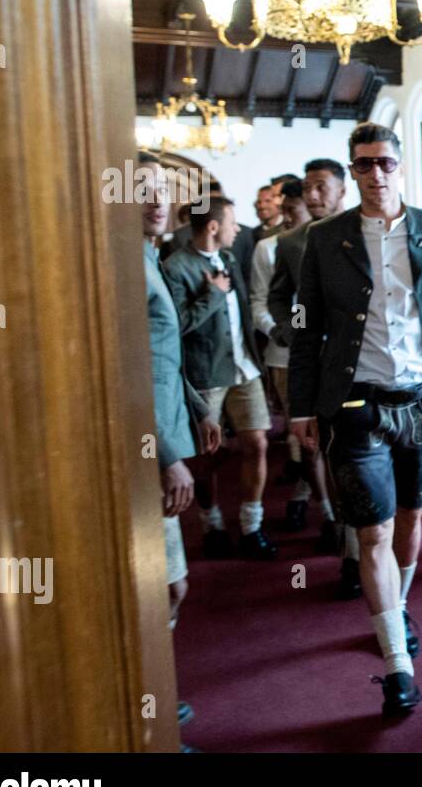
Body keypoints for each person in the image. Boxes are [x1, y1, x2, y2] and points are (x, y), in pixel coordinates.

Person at [288, 123, 422, 717]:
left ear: (402, 168)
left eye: (386, 164)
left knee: (411, 516)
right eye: (365, 165)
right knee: (370, 531)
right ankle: (397, 661)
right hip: (354, 403)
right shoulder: (325, 239)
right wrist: (300, 405)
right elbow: (304, 325)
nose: (376, 174)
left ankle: (396, 607)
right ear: (354, 171)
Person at [138, 151, 222, 746]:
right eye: (142, 188)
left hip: (167, 424)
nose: (158, 199)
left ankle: (153, 698)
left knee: (167, 585)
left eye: (163, 188)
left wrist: (194, 405)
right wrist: (165, 452)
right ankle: (146, 713)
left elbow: (162, 354)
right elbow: (125, 371)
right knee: (163, 586)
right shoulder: (124, 264)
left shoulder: (147, 257)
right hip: (144, 447)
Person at [162, 194, 277, 560]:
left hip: (245, 367)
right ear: (213, 227)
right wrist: (211, 295)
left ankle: (251, 525)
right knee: (207, 455)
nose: (237, 228)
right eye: (232, 222)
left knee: (258, 443)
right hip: (205, 373)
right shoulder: (175, 267)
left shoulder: (228, 258)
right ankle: (211, 524)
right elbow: (175, 325)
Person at [269, 160, 353, 591]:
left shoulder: (365, 231)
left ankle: (359, 549)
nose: (313, 196)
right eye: (308, 188)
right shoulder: (289, 242)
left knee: (355, 458)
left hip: (357, 363)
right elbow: (279, 297)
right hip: (311, 360)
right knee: (317, 449)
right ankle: (333, 520)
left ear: (341, 189)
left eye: (322, 187)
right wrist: (293, 329)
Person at [250, 179, 336, 541]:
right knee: (305, 439)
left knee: (334, 441)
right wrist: (283, 330)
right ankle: (327, 511)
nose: (286, 217)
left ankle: (317, 500)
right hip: (288, 356)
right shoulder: (270, 247)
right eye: (283, 210)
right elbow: (262, 299)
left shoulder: (330, 237)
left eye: (292, 210)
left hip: (331, 354)